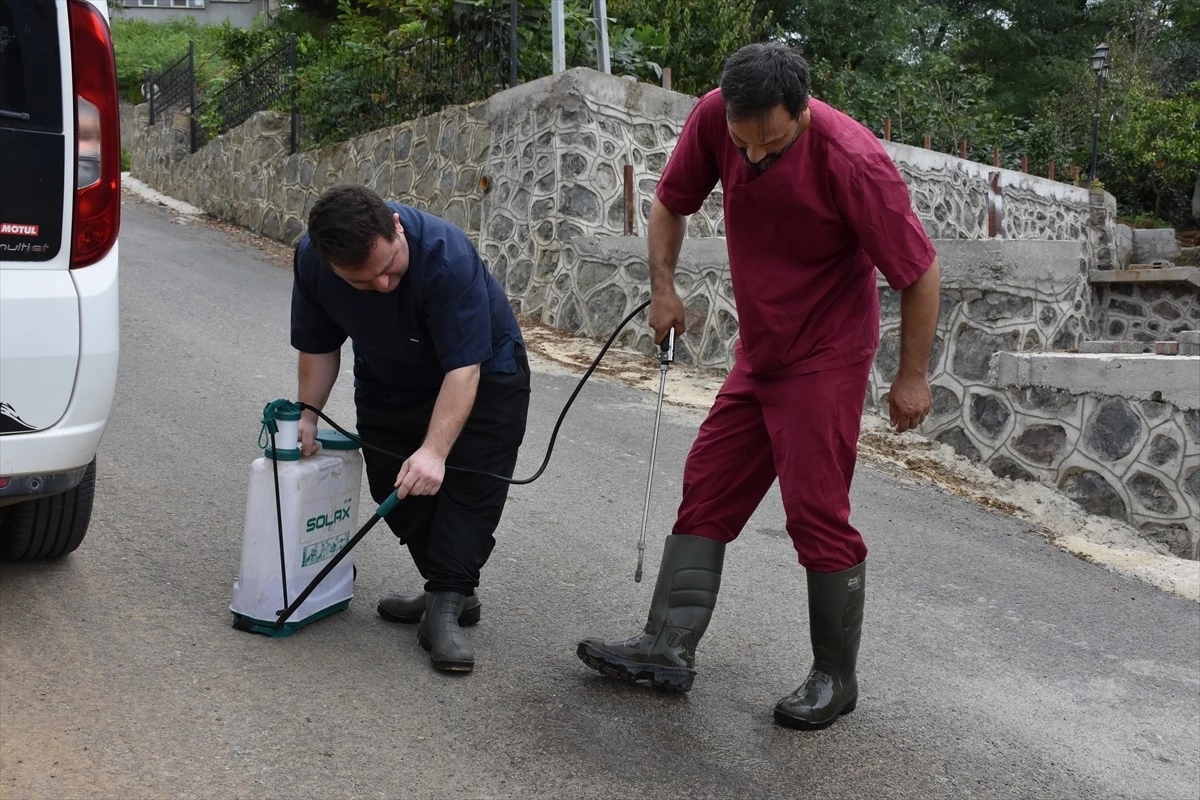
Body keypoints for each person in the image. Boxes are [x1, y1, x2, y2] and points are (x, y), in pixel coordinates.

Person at [576, 42, 941, 730]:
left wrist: (911, 375)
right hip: (762, 345)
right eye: (742, 145)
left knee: (814, 512)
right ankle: (666, 646)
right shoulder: (720, 117)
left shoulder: (854, 161)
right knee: (709, 479)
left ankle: (836, 678)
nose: (752, 159)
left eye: (768, 145)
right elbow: (670, 204)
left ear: (801, 114)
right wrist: (664, 290)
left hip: (828, 352)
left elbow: (919, 273)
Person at [291, 183, 530, 674]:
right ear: (332, 266)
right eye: (363, 281)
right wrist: (307, 415)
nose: (382, 285)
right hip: (390, 377)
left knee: (469, 488)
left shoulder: (445, 255)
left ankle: (444, 603)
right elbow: (318, 346)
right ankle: (452, 590)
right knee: (395, 484)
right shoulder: (312, 261)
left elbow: (463, 370)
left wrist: (436, 451)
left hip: (484, 375)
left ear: (395, 227)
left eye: (389, 268)